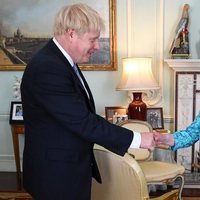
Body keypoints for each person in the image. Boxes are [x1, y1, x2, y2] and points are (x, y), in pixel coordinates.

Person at [21, 3, 156, 200]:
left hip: (65, 170)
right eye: (93, 40)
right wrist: (138, 139)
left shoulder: (61, 62)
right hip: (55, 176)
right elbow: (83, 121)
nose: (97, 46)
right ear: (71, 34)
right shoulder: (48, 67)